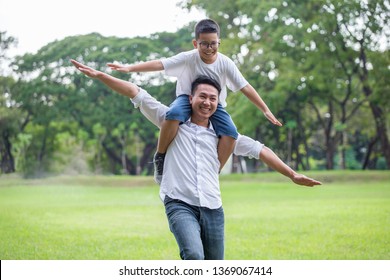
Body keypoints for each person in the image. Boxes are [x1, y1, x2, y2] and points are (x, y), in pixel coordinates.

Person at [71, 59, 321, 260]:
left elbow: (261, 150)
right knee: (193, 256)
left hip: (213, 207)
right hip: (179, 203)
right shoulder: (171, 121)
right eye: (202, 96)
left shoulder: (224, 136)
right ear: (190, 98)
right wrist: (101, 76)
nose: (207, 102)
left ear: (218, 103)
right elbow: (136, 93)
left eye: (213, 98)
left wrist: (292, 174)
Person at [107, 19, 283, 184]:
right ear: (195, 43)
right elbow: (160, 64)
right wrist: (130, 68)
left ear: (218, 43)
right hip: (186, 98)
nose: (208, 48)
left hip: (216, 105)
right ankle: (160, 156)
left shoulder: (225, 63)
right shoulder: (188, 58)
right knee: (173, 114)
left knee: (230, 133)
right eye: (204, 44)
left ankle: (213, 172)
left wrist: (265, 109)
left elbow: (245, 87)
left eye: (213, 43)